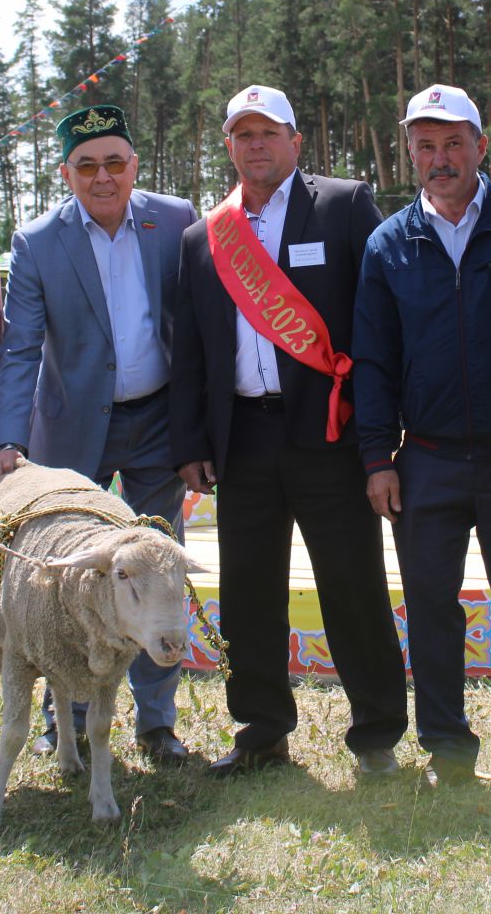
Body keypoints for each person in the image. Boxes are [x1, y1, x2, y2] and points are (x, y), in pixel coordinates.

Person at [170, 84, 407, 780]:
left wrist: (377, 431)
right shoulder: (202, 238)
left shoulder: (342, 204)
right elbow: (190, 349)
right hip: (241, 440)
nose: (257, 145)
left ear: (296, 142)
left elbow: (378, 321)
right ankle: (261, 730)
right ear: (229, 146)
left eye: (269, 132)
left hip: (328, 436)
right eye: (243, 134)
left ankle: (376, 736)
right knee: (247, 593)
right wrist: (191, 443)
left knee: (352, 585)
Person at [0, 104, 200, 767]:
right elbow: (19, 349)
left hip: (159, 423)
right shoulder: (38, 243)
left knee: (159, 573)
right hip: (73, 432)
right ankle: (67, 726)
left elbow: (199, 330)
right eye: (87, 166)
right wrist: (8, 443)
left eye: (115, 163)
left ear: (134, 167)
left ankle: (157, 725)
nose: (102, 177)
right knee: (66, 581)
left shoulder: (177, 221)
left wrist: (202, 433)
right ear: (66, 173)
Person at [351, 83, 491, 787]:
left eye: (453, 143)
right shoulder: (387, 243)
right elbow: (372, 361)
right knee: (431, 610)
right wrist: (378, 457)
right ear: (410, 151)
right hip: (426, 461)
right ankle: (448, 748)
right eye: (426, 146)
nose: (441, 159)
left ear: (482, 147)